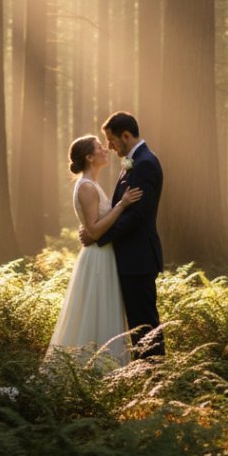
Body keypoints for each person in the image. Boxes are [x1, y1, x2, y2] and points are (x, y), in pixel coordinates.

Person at [45, 135, 143, 369]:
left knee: (101, 310)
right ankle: (98, 368)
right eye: (100, 148)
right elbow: (95, 231)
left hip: (102, 255)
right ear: (89, 157)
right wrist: (122, 204)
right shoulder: (87, 187)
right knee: (97, 310)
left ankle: (104, 367)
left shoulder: (90, 184)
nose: (105, 150)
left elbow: (92, 226)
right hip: (98, 257)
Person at [79, 111, 165, 359]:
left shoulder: (146, 163)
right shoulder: (134, 162)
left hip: (138, 258)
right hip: (130, 258)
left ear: (126, 136)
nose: (109, 146)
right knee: (137, 322)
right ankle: (144, 372)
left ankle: (154, 372)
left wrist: (98, 235)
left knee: (145, 323)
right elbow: (123, 209)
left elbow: (137, 216)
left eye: (111, 140)